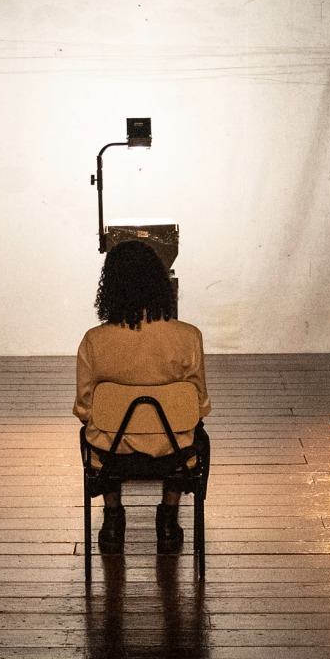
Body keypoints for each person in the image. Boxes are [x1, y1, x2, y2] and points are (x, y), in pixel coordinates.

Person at [76, 238, 208, 555]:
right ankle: (168, 518)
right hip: (174, 453)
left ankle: (112, 519)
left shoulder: (94, 341)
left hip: (112, 454)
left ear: (110, 287)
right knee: (194, 430)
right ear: (160, 283)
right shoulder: (188, 336)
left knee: (93, 430)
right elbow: (200, 406)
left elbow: (84, 409)